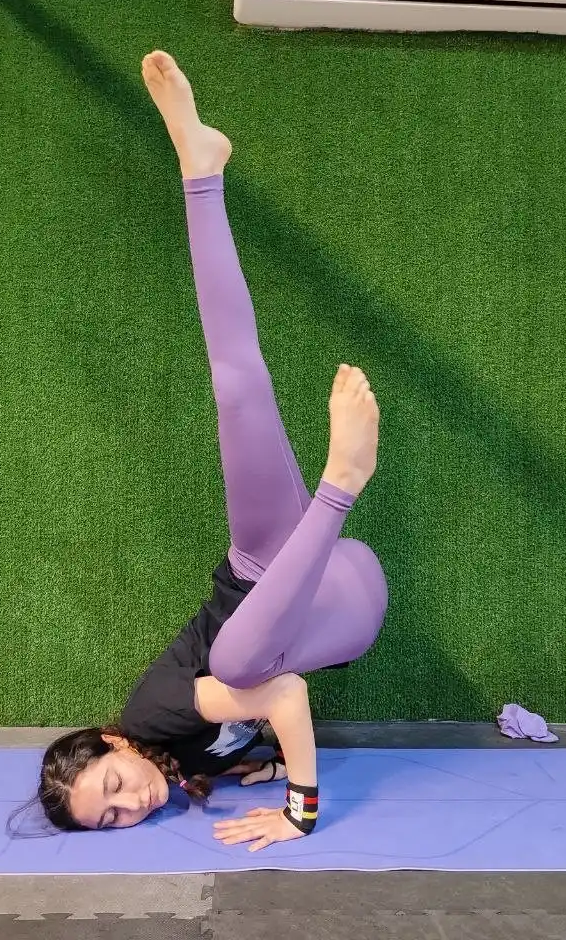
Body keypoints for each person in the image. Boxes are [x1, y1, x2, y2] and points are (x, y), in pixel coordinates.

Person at [32, 51, 389, 853]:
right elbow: (280, 695)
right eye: (115, 817)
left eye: (114, 786)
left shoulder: (152, 714)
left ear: (115, 742)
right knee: (239, 661)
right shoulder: (183, 760)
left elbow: (284, 697)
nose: (133, 803)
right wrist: (255, 766)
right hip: (334, 602)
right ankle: (335, 489)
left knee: (237, 384)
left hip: (281, 564)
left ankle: (201, 171)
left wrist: (298, 808)